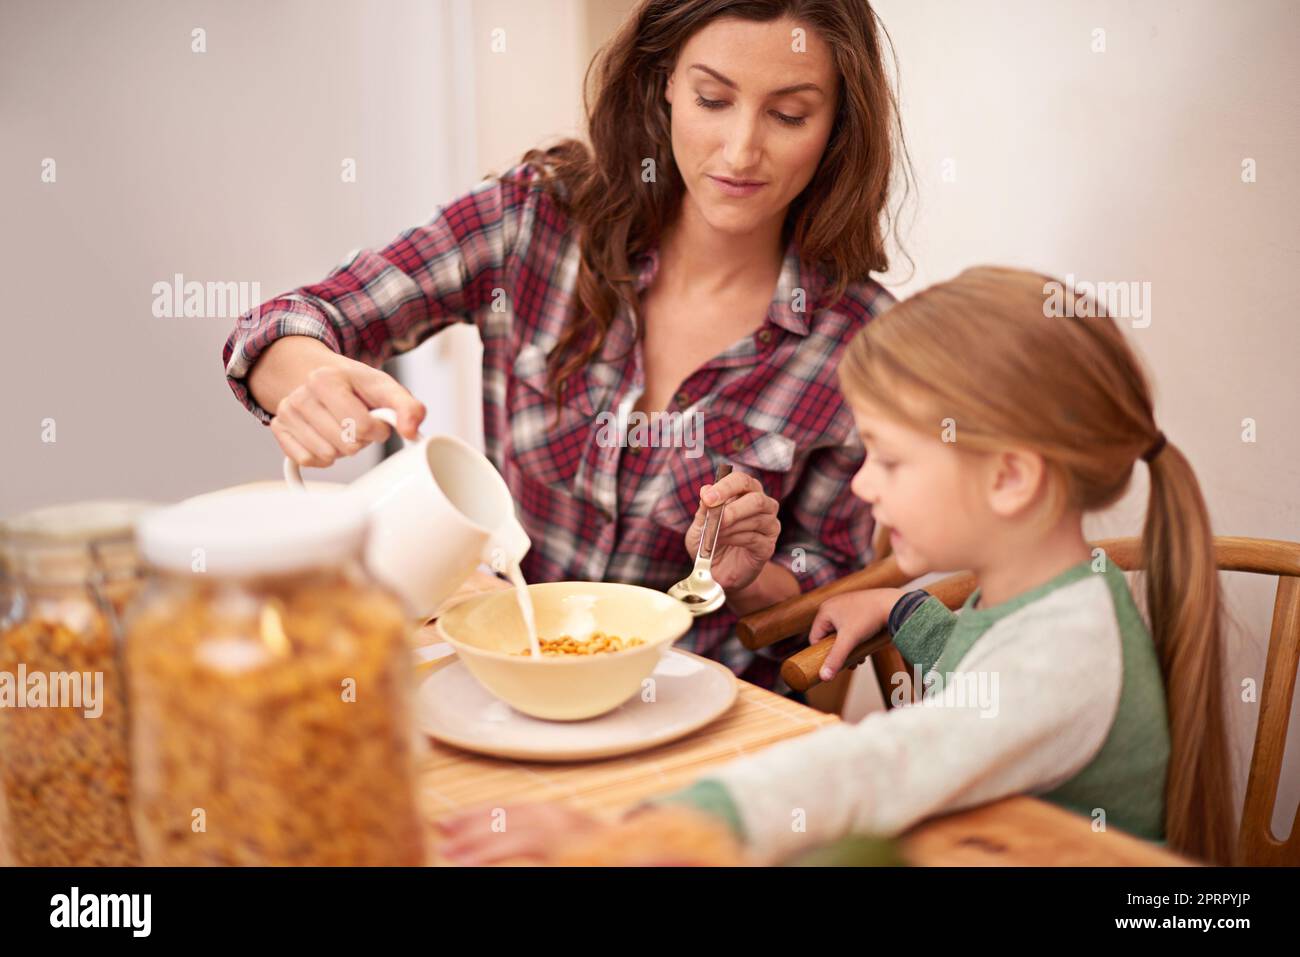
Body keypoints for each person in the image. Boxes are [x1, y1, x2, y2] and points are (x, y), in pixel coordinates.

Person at [438, 267, 1235, 867]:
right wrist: (897, 611)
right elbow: (970, 660)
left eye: (888, 458)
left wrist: (652, 830)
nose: (860, 481)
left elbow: (886, 759)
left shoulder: (1064, 657)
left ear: (1009, 478)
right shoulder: (1044, 602)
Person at [223, 0, 909, 691]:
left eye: (789, 115)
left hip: (698, 713)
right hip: (506, 676)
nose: (740, 150)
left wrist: (748, 571)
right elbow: (290, 322)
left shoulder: (858, 341)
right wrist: (306, 375)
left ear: (837, 126)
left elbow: (831, 571)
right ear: (663, 80)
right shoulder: (534, 221)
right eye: (712, 98)